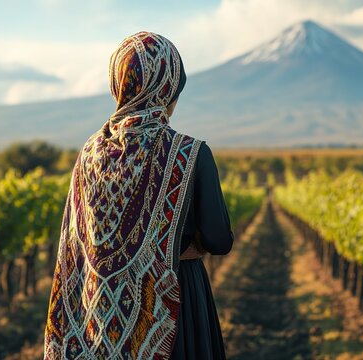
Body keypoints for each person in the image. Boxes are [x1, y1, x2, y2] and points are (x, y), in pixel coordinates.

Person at [43, 31, 233, 359]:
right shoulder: (190, 152)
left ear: (120, 86)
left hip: (98, 314)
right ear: (167, 89)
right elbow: (220, 241)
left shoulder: (89, 152)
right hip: (172, 305)